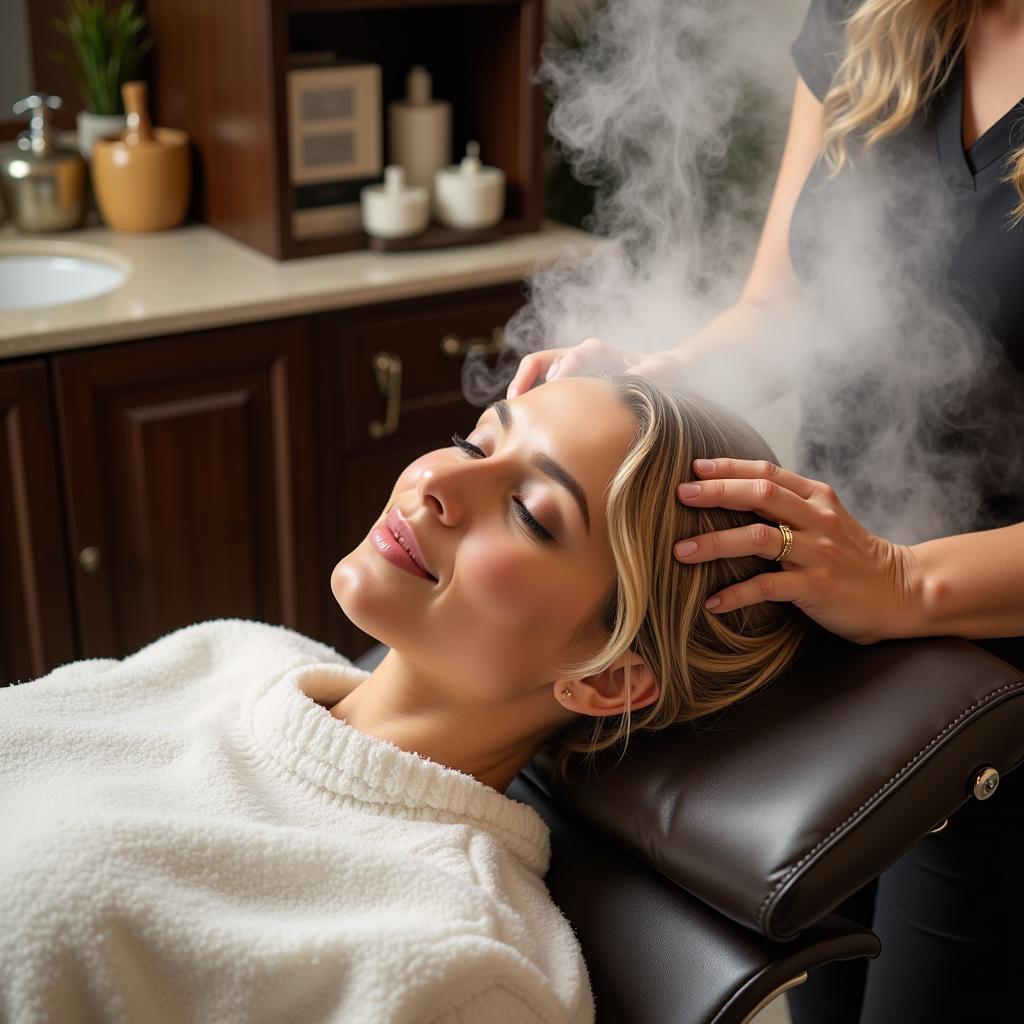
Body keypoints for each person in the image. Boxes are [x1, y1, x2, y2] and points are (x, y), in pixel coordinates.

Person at [507, 1, 1024, 1021]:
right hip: (835, 643)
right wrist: (657, 381)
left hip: (998, 684)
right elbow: (783, 308)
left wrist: (908, 582)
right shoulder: (873, 15)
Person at [0, 374, 806, 1024]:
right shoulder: (233, 651)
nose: (437, 480)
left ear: (604, 677)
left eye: (529, 512)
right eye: (474, 441)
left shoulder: (459, 969)